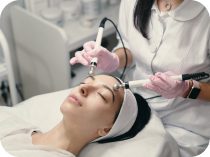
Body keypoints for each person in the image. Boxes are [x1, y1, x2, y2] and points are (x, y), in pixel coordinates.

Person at [70, 0, 210, 156]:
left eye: (104, 96)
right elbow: (130, 46)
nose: (83, 89)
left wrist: (187, 89)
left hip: (184, 125)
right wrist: (115, 59)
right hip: (136, 109)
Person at [0, 74, 151, 157]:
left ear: (105, 130)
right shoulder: (13, 122)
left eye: (102, 95)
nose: (84, 88)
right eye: (84, 82)